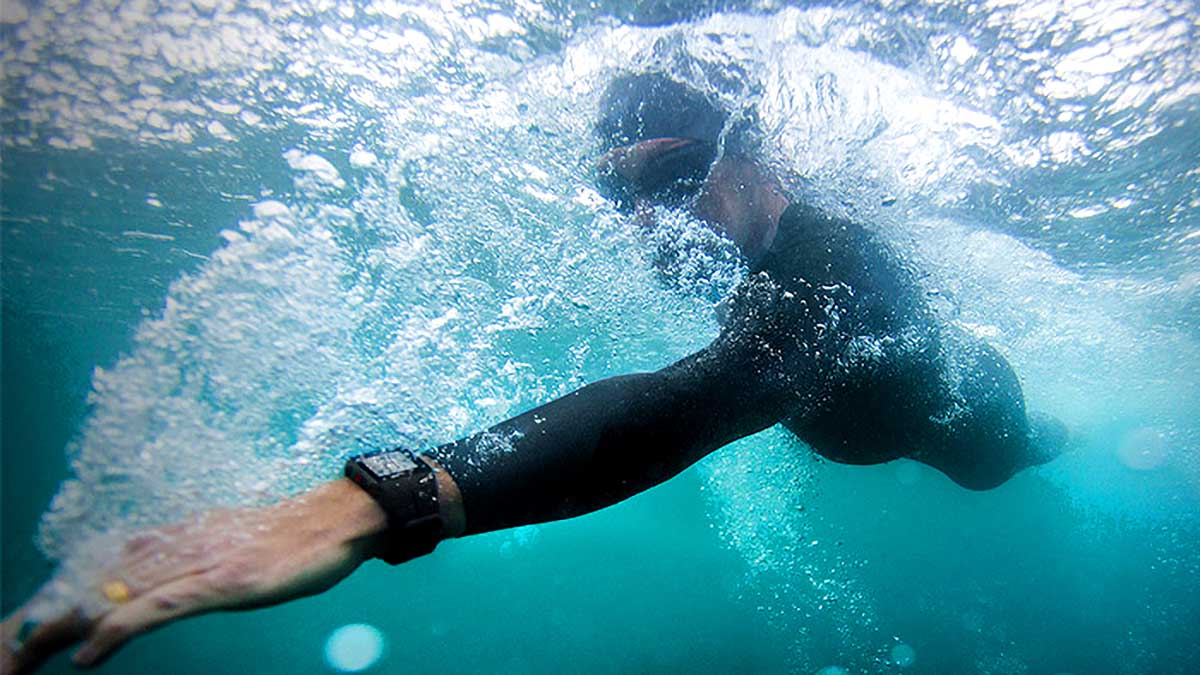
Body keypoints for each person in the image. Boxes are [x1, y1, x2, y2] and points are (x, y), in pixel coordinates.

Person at [0, 72, 1067, 673]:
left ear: (755, 151)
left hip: (964, 422)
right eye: (624, 202)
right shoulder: (734, 247)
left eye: (677, 179)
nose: (654, 225)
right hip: (838, 418)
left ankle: (1059, 444)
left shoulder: (837, 261)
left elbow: (705, 399)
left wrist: (370, 506)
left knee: (1012, 458)